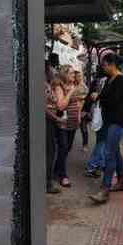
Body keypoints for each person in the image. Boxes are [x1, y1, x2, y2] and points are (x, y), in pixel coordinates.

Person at [88, 53, 123, 204]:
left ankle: (105, 189)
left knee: (109, 153)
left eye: (104, 64)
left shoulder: (121, 79)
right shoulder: (110, 79)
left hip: (117, 122)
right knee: (114, 152)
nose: (103, 67)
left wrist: (98, 96)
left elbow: (113, 100)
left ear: (112, 64)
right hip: (109, 120)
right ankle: (122, 180)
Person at [54, 67, 87, 187]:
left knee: (67, 148)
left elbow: (78, 103)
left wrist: (78, 116)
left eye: (74, 72)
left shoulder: (75, 86)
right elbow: (61, 106)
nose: (74, 74)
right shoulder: (59, 87)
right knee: (63, 148)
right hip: (63, 123)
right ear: (64, 74)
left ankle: (56, 170)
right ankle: (62, 175)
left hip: (73, 122)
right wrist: (71, 92)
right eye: (71, 73)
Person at [45, 62, 70, 194]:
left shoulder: (49, 84)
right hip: (48, 121)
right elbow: (44, 107)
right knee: (50, 151)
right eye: (50, 69)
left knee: (53, 150)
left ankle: (49, 178)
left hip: (51, 121)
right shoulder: (45, 85)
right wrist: (57, 118)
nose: (53, 72)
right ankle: (47, 183)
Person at [84, 75, 107, 176]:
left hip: (98, 113)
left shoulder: (97, 81)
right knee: (102, 142)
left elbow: (90, 96)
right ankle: (92, 165)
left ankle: (100, 165)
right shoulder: (106, 81)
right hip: (103, 114)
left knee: (101, 141)